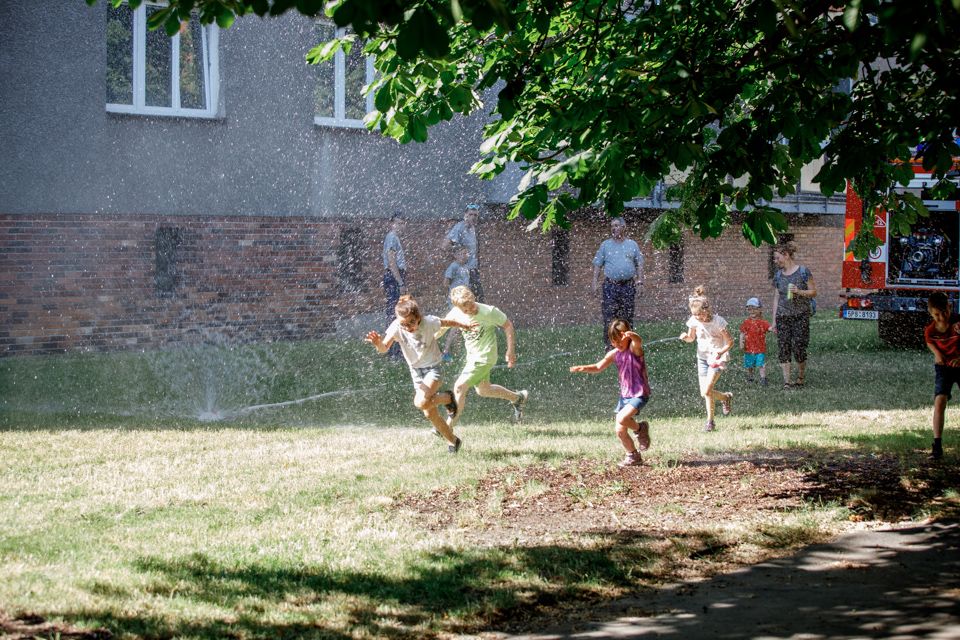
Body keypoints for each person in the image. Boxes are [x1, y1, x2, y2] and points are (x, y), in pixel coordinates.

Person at [365, 295, 475, 454]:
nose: (408, 327)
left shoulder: (429, 322)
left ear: (418, 318)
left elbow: (447, 322)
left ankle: (447, 398)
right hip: (415, 372)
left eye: (411, 322)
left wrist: (464, 325)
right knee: (429, 412)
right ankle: (453, 440)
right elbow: (384, 349)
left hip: (432, 369)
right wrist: (377, 343)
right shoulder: (396, 326)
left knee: (420, 402)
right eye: (404, 324)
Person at [569, 319, 652, 467]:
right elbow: (598, 367)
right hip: (625, 396)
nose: (617, 344)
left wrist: (631, 335)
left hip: (639, 393)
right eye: (614, 341)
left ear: (627, 337)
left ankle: (641, 429)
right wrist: (583, 368)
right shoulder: (614, 354)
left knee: (621, 418)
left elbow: (638, 341)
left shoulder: (634, 349)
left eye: (620, 340)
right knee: (619, 430)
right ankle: (633, 456)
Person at [443, 285, 528, 426]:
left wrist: (510, 351)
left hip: (485, 357)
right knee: (483, 390)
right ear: (458, 308)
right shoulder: (455, 313)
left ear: (473, 297)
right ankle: (518, 398)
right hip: (472, 359)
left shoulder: (489, 311)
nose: (471, 310)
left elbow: (508, 326)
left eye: (471, 305)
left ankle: (446, 428)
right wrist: (428, 338)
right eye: (466, 310)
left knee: (459, 387)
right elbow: (442, 327)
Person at [679, 285, 734, 432]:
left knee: (707, 390)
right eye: (695, 315)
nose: (698, 318)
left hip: (717, 358)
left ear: (706, 310)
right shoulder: (694, 320)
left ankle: (710, 422)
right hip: (702, 358)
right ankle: (725, 397)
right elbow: (691, 338)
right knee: (705, 392)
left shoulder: (718, 322)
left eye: (700, 315)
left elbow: (730, 342)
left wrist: (720, 352)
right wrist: (686, 337)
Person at [592, 217, 644, 347]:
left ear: (623, 227)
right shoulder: (605, 245)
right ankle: (609, 347)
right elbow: (598, 264)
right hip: (610, 286)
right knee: (609, 317)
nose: (613, 228)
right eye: (612, 226)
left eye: (616, 226)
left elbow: (639, 265)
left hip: (628, 286)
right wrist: (594, 282)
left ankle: (627, 345)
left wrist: (640, 282)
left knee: (627, 317)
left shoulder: (632, 244)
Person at [771, 241, 817, 388]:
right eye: (774, 258)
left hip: (800, 315)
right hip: (783, 316)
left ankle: (801, 376)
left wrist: (799, 291)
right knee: (783, 347)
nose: (775, 261)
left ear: (786, 255)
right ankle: (787, 381)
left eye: (777, 258)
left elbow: (813, 292)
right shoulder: (778, 276)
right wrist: (773, 321)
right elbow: (777, 298)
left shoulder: (803, 272)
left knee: (799, 348)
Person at [924, 292, 960, 460]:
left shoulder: (958, 323)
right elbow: (930, 343)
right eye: (937, 315)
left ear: (950, 308)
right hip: (944, 368)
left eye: (944, 312)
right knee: (940, 401)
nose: (941, 317)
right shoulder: (930, 331)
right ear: (931, 314)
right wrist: (938, 354)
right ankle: (937, 446)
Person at [442, 203, 483, 301]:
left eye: (475, 215)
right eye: (470, 214)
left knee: (477, 298)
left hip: (473, 268)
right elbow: (445, 246)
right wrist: (459, 255)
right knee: (468, 299)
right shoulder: (460, 227)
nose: (473, 217)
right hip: (463, 270)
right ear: (465, 215)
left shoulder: (473, 228)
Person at [382, 212, 407, 360]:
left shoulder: (394, 237)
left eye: (402, 223)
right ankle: (393, 352)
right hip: (394, 277)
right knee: (395, 314)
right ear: (391, 224)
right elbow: (392, 262)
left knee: (396, 313)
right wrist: (400, 282)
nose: (400, 226)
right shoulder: (392, 237)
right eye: (397, 223)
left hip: (394, 277)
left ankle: (392, 349)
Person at [441, 244, 472, 362]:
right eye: (461, 254)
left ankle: (458, 351)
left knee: (460, 326)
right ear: (455, 255)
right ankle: (445, 352)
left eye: (465, 253)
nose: (464, 256)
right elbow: (445, 282)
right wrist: (455, 292)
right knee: (456, 326)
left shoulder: (466, 267)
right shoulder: (453, 266)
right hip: (456, 301)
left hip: (464, 301)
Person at [740, 297, 772, 385]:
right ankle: (750, 377)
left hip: (760, 349)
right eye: (749, 309)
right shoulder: (746, 322)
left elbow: (769, 328)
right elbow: (742, 333)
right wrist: (741, 344)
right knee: (749, 365)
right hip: (748, 349)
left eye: (754, 308)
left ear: (760, 309)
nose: (752, 311)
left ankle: (763, 378)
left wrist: (773, 329)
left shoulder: (763, 322)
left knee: (761, 364)